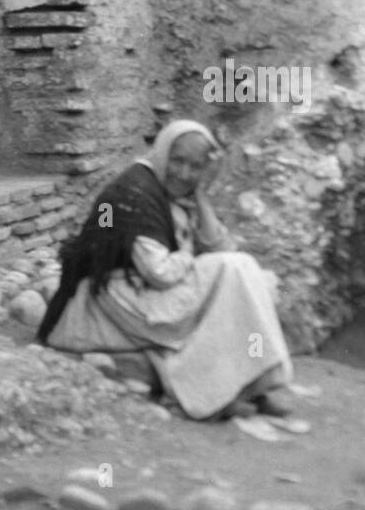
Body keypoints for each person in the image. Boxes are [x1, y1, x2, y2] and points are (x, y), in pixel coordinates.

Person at [36, 120, 295, 421]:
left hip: (148, 290)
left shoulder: (174, 193)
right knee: (232, 271)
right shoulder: (133, 192)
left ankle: (258, 382)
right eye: (178, 161)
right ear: (163, 153)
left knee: (243, 272)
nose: (184, 173)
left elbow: (221, 245)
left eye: (195, 166)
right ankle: (219, 392)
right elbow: (159, 273)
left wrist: (199, 199)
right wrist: (188, 254)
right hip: (123, 297)